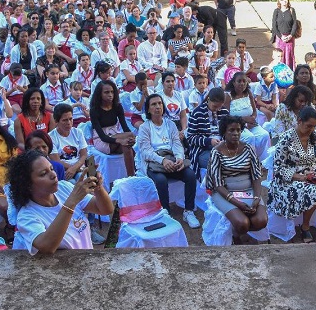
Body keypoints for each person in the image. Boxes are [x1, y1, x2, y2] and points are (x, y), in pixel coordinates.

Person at [8, 149, 114, 254]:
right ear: (28, 185)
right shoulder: (26, 216)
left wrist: (98, 188)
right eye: (43, 174)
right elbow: (47, 246)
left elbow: (106, 209)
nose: (53, 175)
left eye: (52, 168)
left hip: (87, 261)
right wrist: (71, 201)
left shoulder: (64, 188)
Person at [269, 106, 316, 242]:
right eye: (308, 126)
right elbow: (278, 169)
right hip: (288, 180)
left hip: (312, 176)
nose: (311, 129)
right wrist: (300, 177)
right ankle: (305, 228)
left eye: (314, 126)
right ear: (299, 121)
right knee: (313, 191)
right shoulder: (286, 139)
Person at [136, 93, 201, 228]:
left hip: (171, 158)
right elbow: (146, 151)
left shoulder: (170, 124)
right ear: (148, 109)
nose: (158, 107)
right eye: (153, 104)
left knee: (190, 175)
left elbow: (177, 144)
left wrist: (179, 158)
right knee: (161, 180)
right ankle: (165, 212)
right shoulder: (145, 127)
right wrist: (162, 160)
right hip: (154, 161)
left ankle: (188, 211)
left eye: (160, 103)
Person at [206, 116, 268, 244]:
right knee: (242, 223)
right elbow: (217, 185)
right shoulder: (216, 152)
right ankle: (236, 234)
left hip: (248, 189)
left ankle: (243, 232)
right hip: (225, 192)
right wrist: (237, 203)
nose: (235, 133)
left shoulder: (249, 149)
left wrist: (256, 199)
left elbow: (256, 176)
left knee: (261, 221)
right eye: (231, 130)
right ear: (224, 132)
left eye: (238, 130)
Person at [87, 79, 136, 175]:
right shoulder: (94, 110)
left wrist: (131, 138)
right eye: (106, 92)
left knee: (128, 145)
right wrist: (120, 140)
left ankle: (132, 176)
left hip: (115, 134)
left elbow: (125, 128)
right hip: (102, 140)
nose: (110, 94)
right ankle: (132, 174)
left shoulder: (117, 106)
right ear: (100, 94)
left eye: (112, 92)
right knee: (126, 140)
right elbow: (102, 137)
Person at [184, 87, 228, 170]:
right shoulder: (197, 113)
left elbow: (228, 131)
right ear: (208, 100)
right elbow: (190, 138)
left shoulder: (224, 111)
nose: (218, 109)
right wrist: (209, 141)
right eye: (215, 106)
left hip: (222, 147)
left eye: (220, 106)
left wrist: (224, 141)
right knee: (219, 162)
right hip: (202, 149)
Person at [270, 0, 298, 69]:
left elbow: (295, 24)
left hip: (289, 38)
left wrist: (291, 35)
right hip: (280, 38)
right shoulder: (276, 11)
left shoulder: (291, 10)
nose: (284, 1)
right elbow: (274, 26)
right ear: (279, 1)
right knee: (279, 56)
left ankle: (290, 72)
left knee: (289, 56)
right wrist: (281, 36)